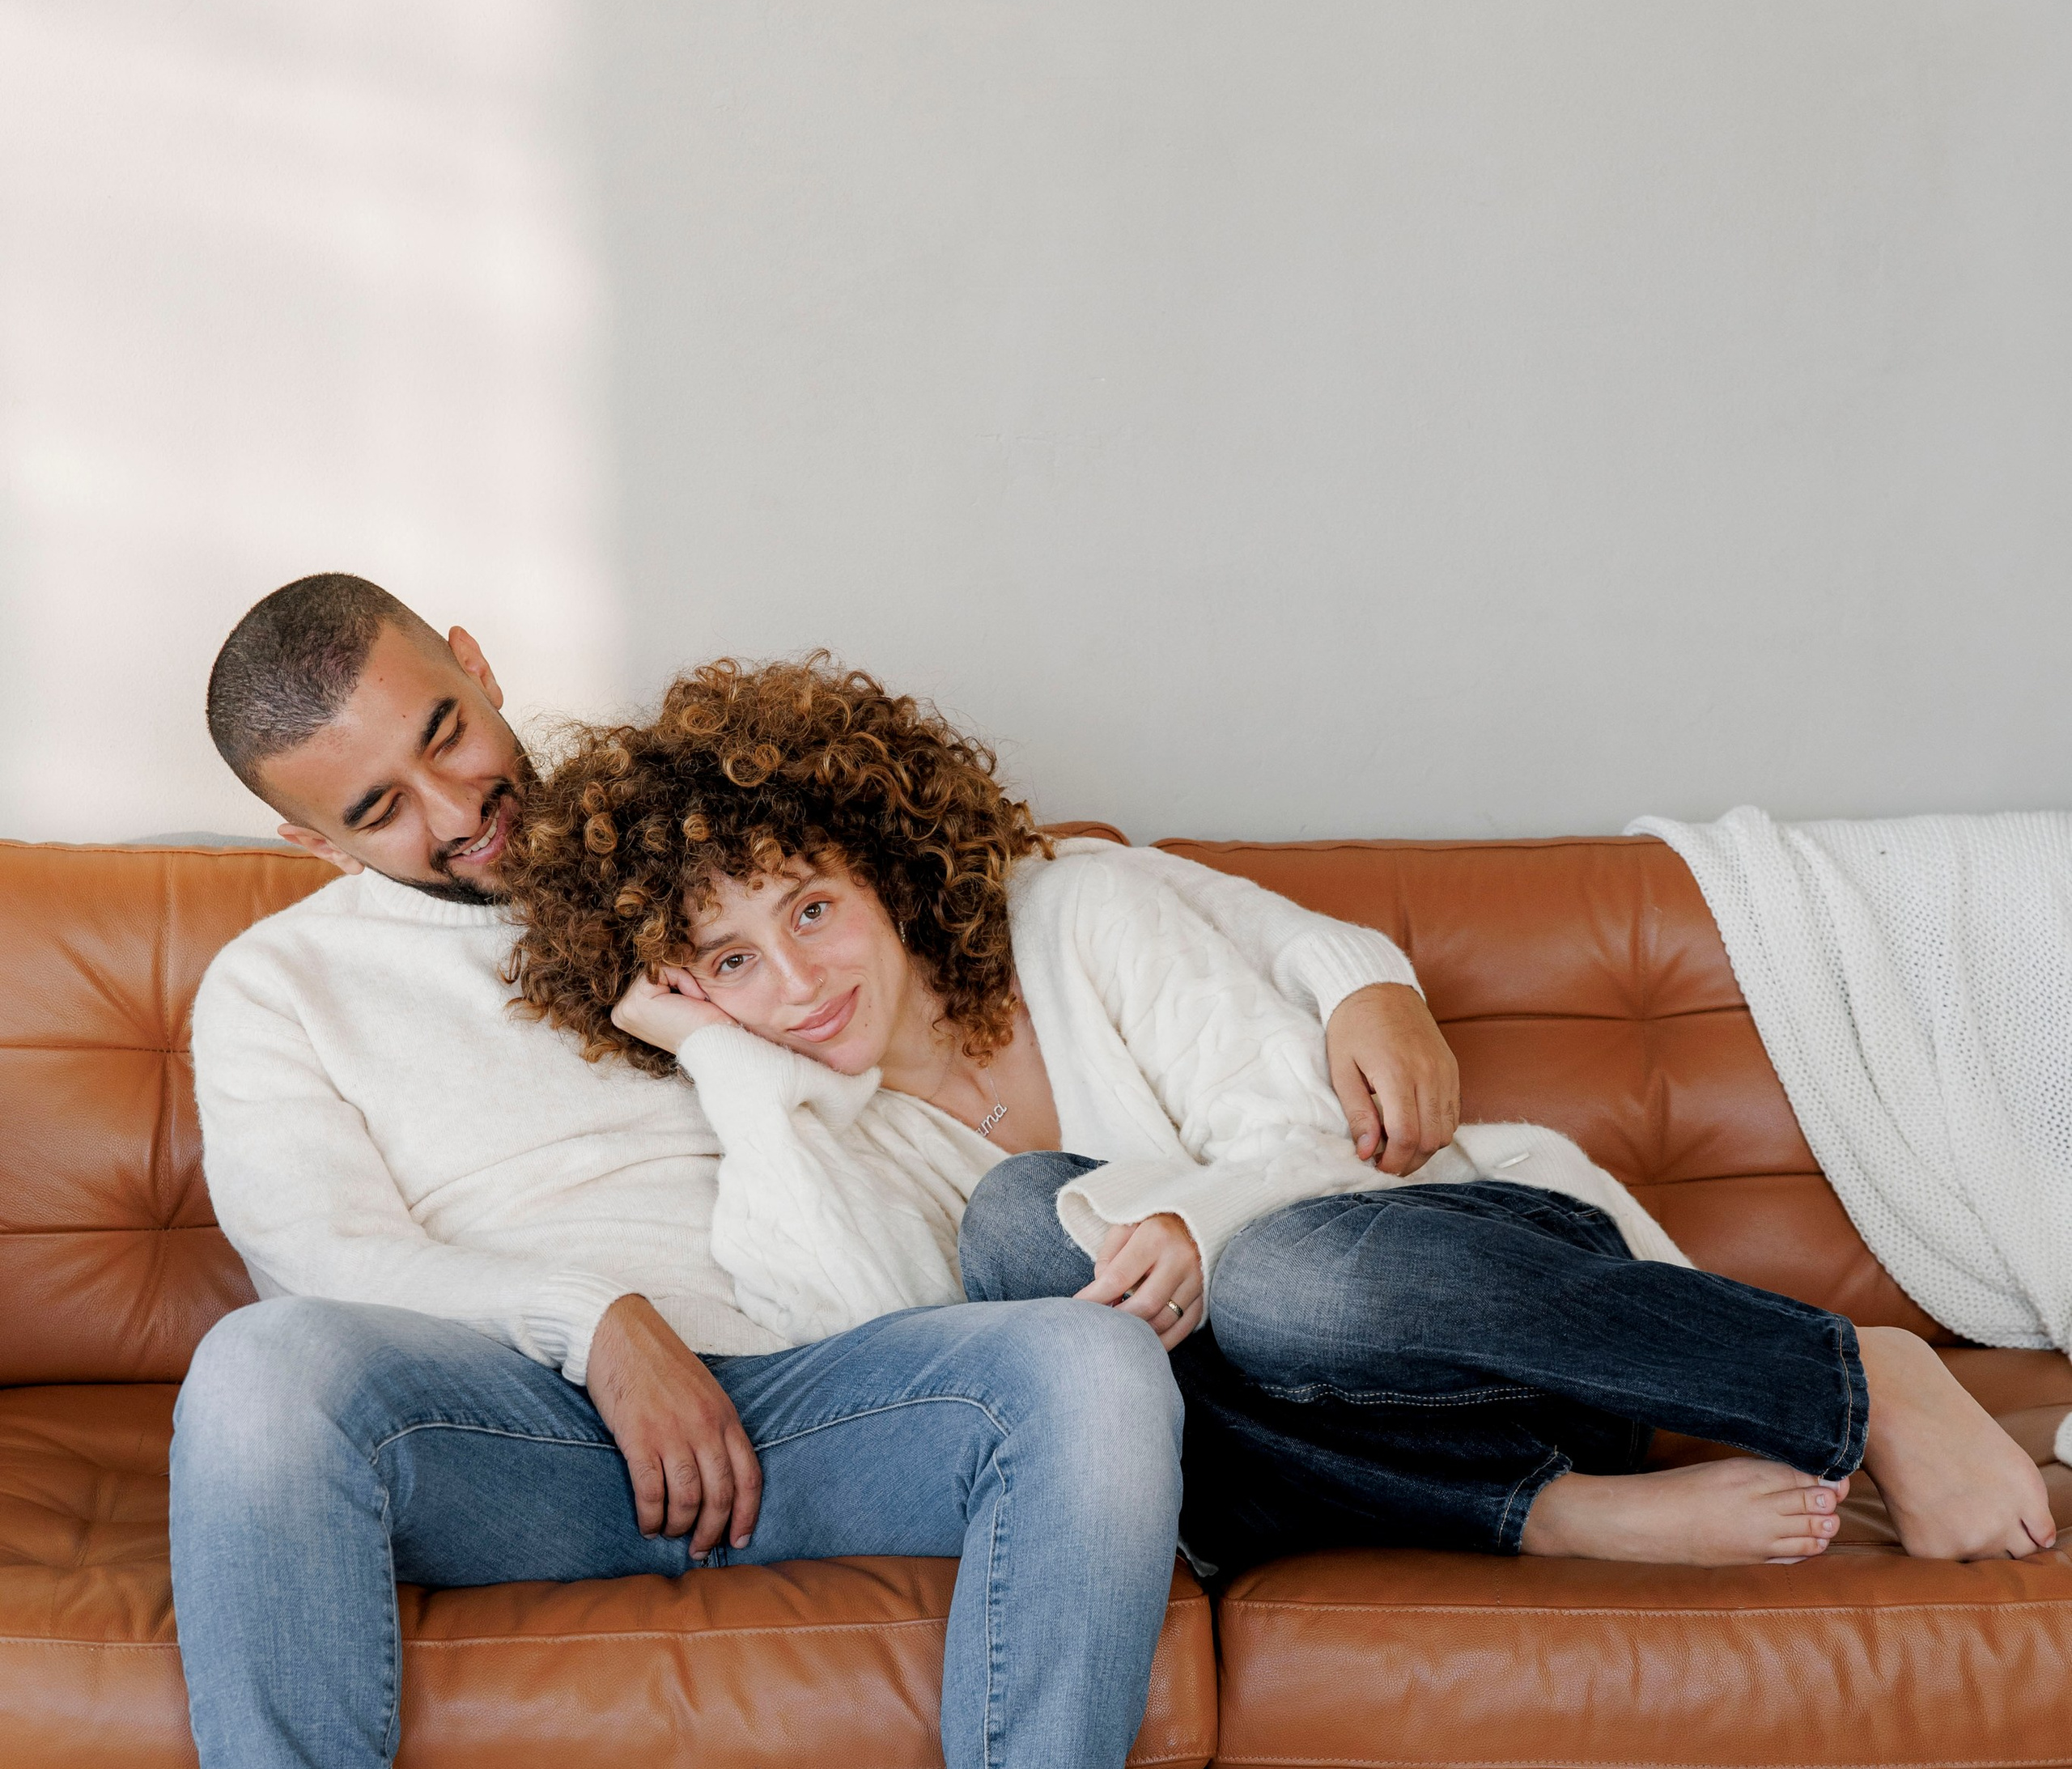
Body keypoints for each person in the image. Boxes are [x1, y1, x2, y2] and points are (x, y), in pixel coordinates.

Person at [176, 574, 1437, 1769]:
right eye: (380, 807)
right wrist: (593, 1325)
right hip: (525, 1433)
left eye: (446, 734)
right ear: (308, 841)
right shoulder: (278, 988)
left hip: (826, 1388)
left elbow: (1043, 875)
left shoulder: (678, 827)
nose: (458, 809)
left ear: (474, 659)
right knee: (258, 1374)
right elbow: (313, 1248)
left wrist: (1360, 972)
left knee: (1088, 1363)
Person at [503, 659, 2057, 1577]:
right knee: (1023, 1258)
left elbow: (1310, 1144)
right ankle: (1556, 1523)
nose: (796, 983)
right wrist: (732, 1074)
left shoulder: (1082, 919)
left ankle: (1854, 1373)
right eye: (730, 963)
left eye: (810, 909)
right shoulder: (822, 1121)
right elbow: (870, 1355)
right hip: (1312, 1470)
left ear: (883, 869)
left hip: (1487, 1317)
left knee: (1272, 1276)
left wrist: (1196, 1230)